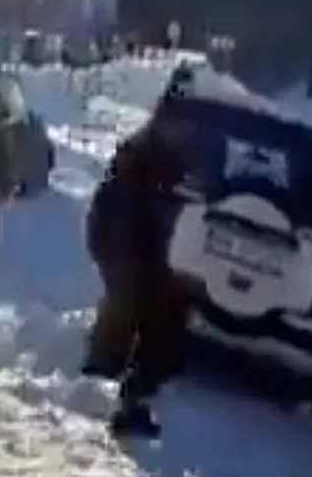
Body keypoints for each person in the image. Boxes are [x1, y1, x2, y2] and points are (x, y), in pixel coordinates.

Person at [83, 117, 186, 437]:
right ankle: (109, 393)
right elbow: (125, 222)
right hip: (126, 248)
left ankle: (119, 392)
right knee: (130, 313)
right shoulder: (144, 168)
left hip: (129, 248)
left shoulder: (149, 158)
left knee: (142, 318)